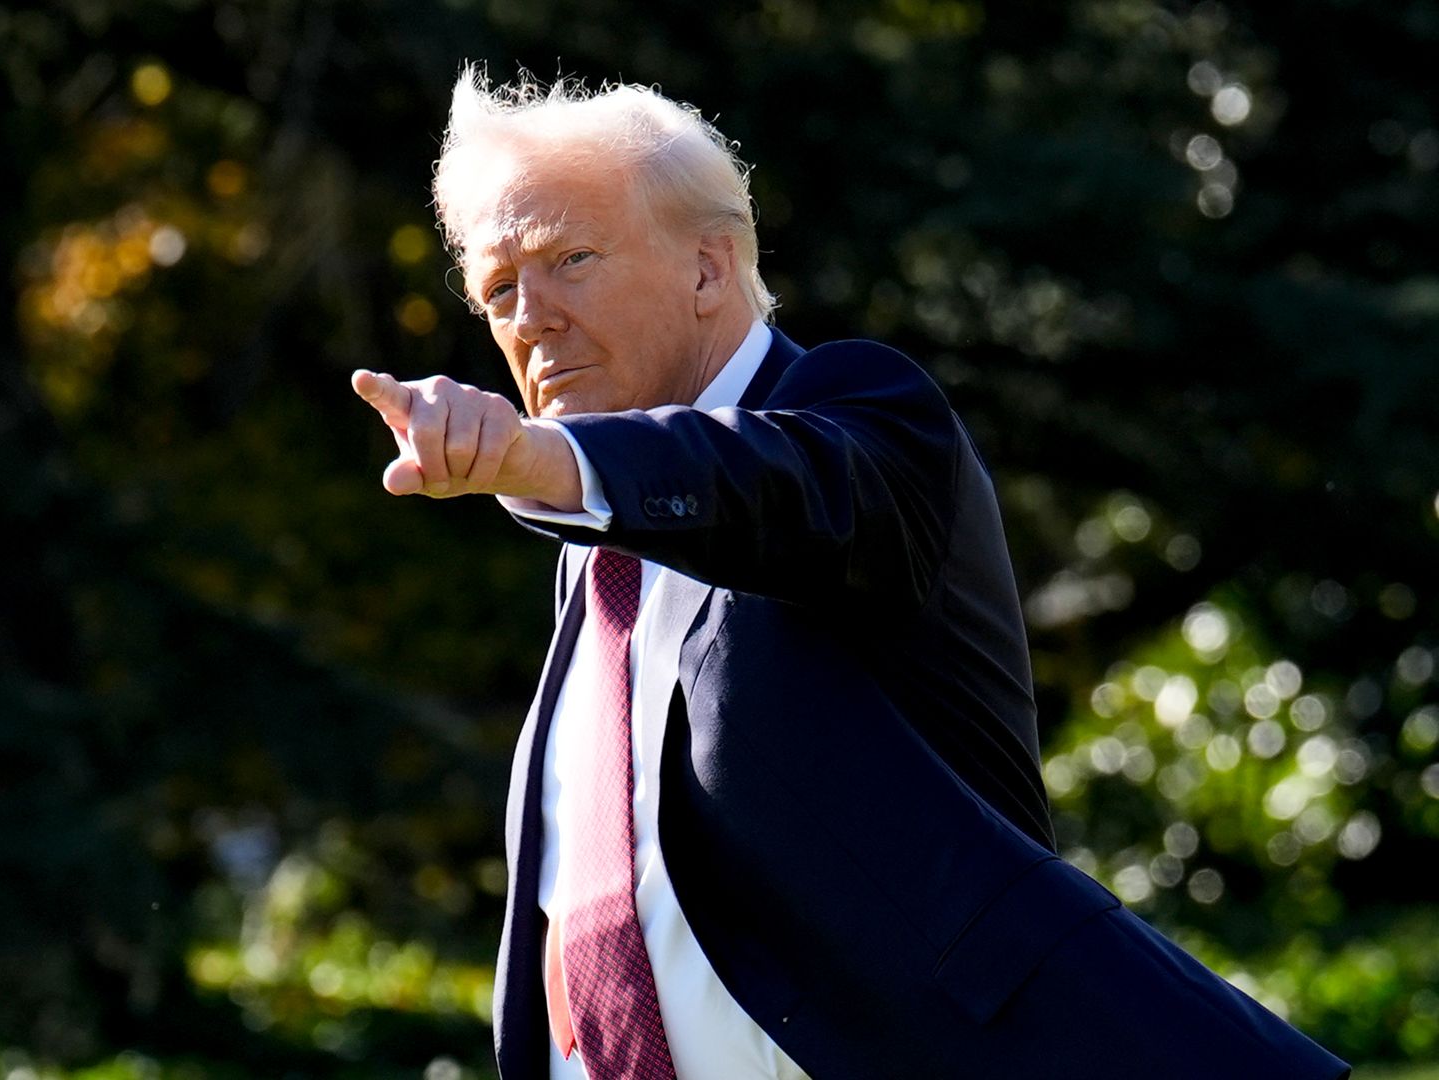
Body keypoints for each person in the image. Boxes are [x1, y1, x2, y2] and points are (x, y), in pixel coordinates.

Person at [350, 68, 1351, 1080]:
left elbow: (766, 489)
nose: (533, 317)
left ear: (708, 267)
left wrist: (543, 462)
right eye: (500, 289)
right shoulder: (593, 559)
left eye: (571, 258)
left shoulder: (854, 420)